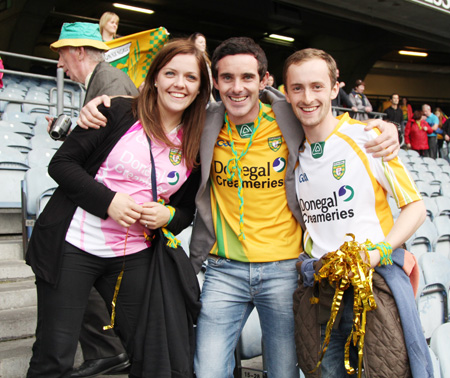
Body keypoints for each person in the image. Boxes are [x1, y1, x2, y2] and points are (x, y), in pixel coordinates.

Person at [75, 37, 400, 378]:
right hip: (222, 271)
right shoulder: (203, 121)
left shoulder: (289, 118)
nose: (237, 87)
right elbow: (158, 106)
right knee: (208, 370)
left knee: (282, 372)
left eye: (247, 78)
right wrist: (105, 103)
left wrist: (388, 128)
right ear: (215, 82)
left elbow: (326, 117)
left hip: (283, 271)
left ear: (264, 81)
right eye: (227, 78)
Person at [25, 38, 210, 378]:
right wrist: (108, 201)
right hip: (73, 246)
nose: (179, 84)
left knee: (149, 350)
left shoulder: (199, 140)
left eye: (190, 78)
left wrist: (168, 216)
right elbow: (62, 164)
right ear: (155, 77)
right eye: (171, 73)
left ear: (201, 88)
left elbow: (184, 210)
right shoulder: (116, 111)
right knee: (55, 355)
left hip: (135, 254)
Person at [283, 48, 431, 378]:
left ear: (336, 89)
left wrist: (379, 251)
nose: (308, 98)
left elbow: (415, 208)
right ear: (286, 93)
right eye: (297, 88)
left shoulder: (369, 138)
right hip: (320, 290)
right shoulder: (292, 150)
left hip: (372, 284)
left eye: (318, 86)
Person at [49, 21, 139, 377]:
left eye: (61, 54)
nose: (59, 64)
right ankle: (107, 349)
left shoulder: (111, 84)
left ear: (79, 51)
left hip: (110, 207)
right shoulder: (103, 82)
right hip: (106, 202)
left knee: (66, 262)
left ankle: (109, 349)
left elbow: (116, 150)